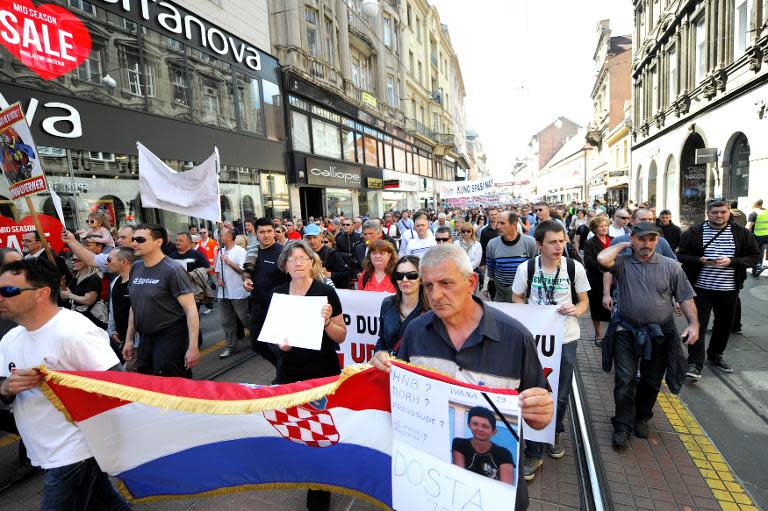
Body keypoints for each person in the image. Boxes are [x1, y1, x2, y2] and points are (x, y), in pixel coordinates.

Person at [371, 243, 552, 511]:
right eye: (429, 285)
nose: (436, 294)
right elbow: (402, 393)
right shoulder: (416, 332)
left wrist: (542, 412)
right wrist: (380, 369)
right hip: (430, 482)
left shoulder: (515, 337)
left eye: (446, 283)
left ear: (471, 282)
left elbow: (540, 412)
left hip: (492, 494)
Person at [0, 259, 130, 510]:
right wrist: (7, 389)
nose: (1, 298)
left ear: (41, 293)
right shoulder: (10, 339)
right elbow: (3, 386)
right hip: (45, 448)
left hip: (77, 448)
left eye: (8, 291)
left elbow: (119, 386)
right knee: (106, 504)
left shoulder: (75, 332)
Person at [598, 223, 700, 448]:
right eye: (642, 239)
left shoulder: (671, 266)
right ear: (632, 239)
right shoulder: (622, 263)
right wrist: (624, 244)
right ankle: (622, 425)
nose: (647, 244)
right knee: (624, 379)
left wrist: (694, 324)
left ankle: (643, 416)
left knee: (652, 380)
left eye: (652, 239)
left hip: (659, 332)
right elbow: (603, 260)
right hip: (626, 329)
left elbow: (685, 297)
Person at [269, 239, 347, 511]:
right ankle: (304, 472)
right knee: (295, 429)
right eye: (293, 259)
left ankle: (319, 490)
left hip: (322, 374)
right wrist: (279, 344)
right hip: (289, 374)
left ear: (312, 262)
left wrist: (326, 322)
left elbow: (341, 335)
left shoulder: (325, 292)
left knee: (319, 435)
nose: (299, 263)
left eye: (304, 258)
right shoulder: (278, 293)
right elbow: (271, 337)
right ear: (286, 265)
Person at [512, 220, 590, 480]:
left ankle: (554, 432)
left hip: (566, 339)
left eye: (562, 241)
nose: (559, 246)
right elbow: (517, 297)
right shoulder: (527, 268)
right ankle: (533, 451)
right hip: (535, 342)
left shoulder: (573, 267)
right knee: (535, 392)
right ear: (539, 245)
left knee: (561, 392)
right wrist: (529, 318)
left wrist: (575, 311)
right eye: (553, 242)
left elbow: (583, 302)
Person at [677, 199, 759, 377]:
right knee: (697, 324)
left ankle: (715, 356)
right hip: (700, 289)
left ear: (729, 212)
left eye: (723, 212)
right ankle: (694, 363)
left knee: (724, 326)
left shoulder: (741, 233)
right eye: (715, 212)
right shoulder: (694, 232)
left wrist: (732, 262)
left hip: (729, 290)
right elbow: (681, 254)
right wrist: (699, 260)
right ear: (708, 213)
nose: (719, 215)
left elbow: (753, 257)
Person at [123, 224, 200, 378]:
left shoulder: (173, 270)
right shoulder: (136, 267)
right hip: (145, 338)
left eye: (140, 239)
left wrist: (193, 347)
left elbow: (191, 310)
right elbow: (134, 306)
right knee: (147, 381)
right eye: (133, 239)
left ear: (158, 242)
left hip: (171, 337)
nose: (134, 243)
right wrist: (129, 340)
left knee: (171, 385)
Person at [374, 255, 429, 356]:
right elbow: (382, 341)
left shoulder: (431, 309)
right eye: (399, 275)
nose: (404, 279)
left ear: (421, 279)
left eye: (411, 275)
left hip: (416, 369)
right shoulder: (388, 303)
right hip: (391, 368)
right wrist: (379, 354)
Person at [452, 406, 514, 484]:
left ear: (494, 431)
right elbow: (458, 478)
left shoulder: (504, 454)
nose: (479, 429)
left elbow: (506, 487)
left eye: (485, 426)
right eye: (475, 424)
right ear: (468, 425)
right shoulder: (459, 444)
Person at [214, 227, 250, 359]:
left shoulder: (240, 251)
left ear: (229, 236)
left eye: (221, 235)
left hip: (238, 292)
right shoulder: (220, 251)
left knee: (244, 318)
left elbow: (242, 271)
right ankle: (231, 347)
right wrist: (219, 280)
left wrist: (228, 262)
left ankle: (258, 340)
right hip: (223, 293)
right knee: (226, 321)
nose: (219, 237)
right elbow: (217, 270)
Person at [486, 211, 537, 302]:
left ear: (514, 225)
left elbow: (535, 266)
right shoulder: (492, 244)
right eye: (498, 223)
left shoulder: (530, 243)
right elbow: (491, 268)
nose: (498, 227)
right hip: (500, 291)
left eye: (502, 223)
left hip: (522, 293)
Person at [582, 215, 613, 343]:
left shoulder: (613, 240)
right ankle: (598, 334)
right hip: (596, 280)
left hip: (614, 280)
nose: (604, 228)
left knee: (612, 309)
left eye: (606, 225)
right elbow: (588, 262)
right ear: (595, 229)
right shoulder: (590, 243)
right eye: (601, 226)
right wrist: (605, 264)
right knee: (596, 308)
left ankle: (611, 335)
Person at [106, 247, 135, 365]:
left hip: (135, 343)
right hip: (120, 339)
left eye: (109, 259)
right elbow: (112, 308)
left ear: (124, 262)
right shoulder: (115, 281)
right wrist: (111, 330)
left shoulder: (135, 282)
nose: (106, 262)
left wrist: (132, 340)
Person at [62, 226, 134, 273]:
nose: (118, 241)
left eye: (123, 237)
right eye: (118, 237)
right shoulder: (115, 254)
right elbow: (92, 259)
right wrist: (71, 241)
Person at [60, 255, 106, 329]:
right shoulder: (76, 277)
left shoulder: (93, 278)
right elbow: (64, 297)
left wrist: (70, 295)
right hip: (80, 318)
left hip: (92, 320)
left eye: (76, 260)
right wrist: (62, 285)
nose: (73, 262)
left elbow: (88, 300)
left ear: (86, 262)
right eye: (72, 260)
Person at [304, 224, 353, 289]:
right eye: (309, 238)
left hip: (333, 290)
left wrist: (329, 274)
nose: (312, 241)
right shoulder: (306, 253)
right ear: (305, 239)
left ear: (321, 237)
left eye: (315, 237)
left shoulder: (332, 253)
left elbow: (347, 273)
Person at [746, 199, 767, 277]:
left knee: (753, 253)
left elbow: (748, 227)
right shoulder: (767, 212)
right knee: (760, 253)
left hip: (757, 236)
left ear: (754, 204)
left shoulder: (754, 213)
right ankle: (756, 270)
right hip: (766, 236)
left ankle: (757, 268)